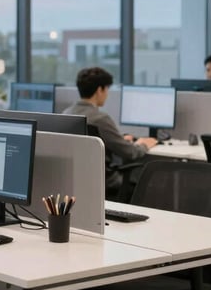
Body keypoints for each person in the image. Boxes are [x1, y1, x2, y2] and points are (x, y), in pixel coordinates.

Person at [63, 67, 158, 196]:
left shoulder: (67, 113)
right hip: (106, 182)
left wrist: (120, 139)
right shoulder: (100, 119)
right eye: (107, 89)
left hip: (77, 181)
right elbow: (130, 153)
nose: (107, 94)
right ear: (99, 90)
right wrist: (144, 144)